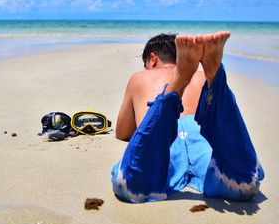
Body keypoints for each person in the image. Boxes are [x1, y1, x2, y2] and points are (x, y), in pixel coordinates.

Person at [111, 31, 265, 203]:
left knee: (130, 183)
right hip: (201, 134)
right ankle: (216, 80)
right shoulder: (200, 76)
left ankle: (176, 86)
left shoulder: (140, 77)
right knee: (242, 183)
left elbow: (122, 132)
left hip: (163, 136)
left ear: (153, 59)